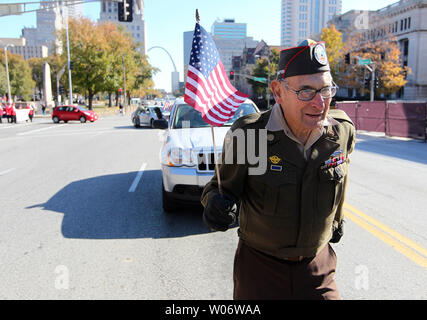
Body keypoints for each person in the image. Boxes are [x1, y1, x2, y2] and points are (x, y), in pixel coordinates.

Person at [201, 39, 355, 300]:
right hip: (261, 271)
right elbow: (218, 188)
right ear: (278, 91)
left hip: (318, 269)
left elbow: (341, 178)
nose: (320, 103)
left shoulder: (341, 132)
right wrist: (215, 202)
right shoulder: (251, 136)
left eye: (326, 90)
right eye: (306, 91)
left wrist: (337, 219)